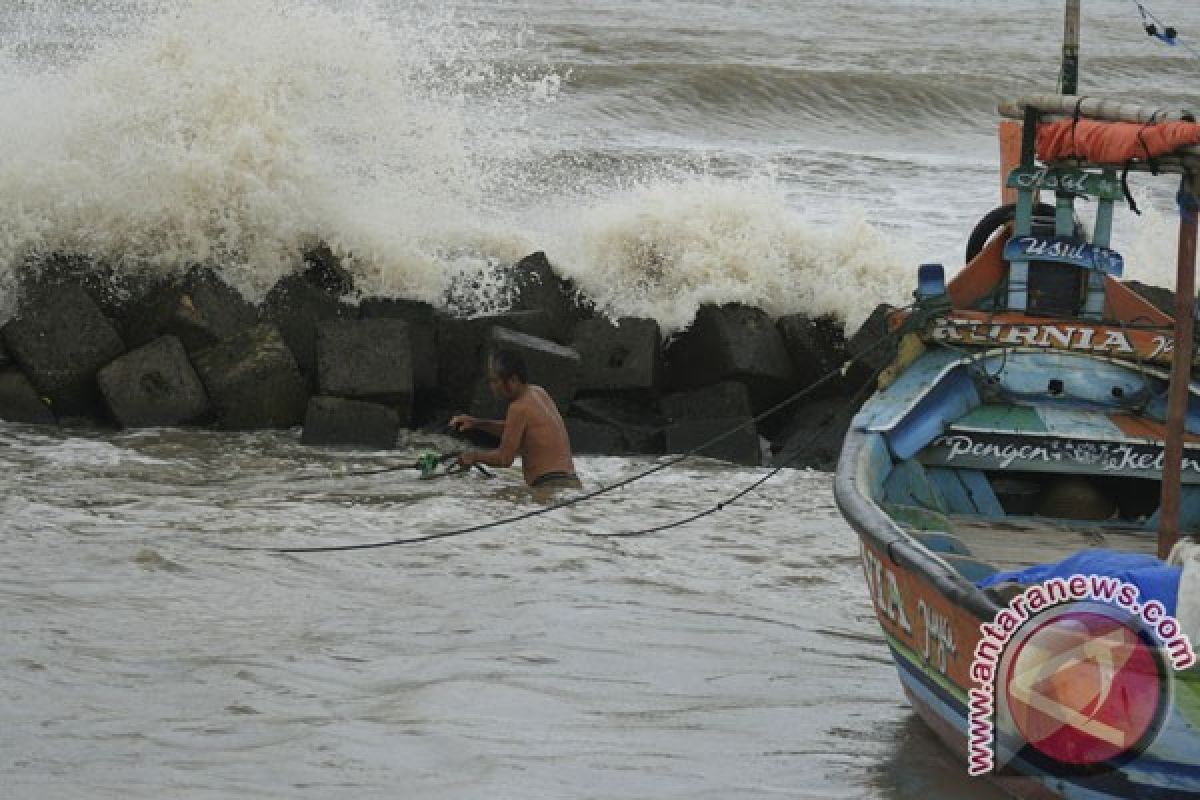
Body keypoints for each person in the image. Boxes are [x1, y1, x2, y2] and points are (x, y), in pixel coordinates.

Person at [449, 350, 581, 489]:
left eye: (495, 381)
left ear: (513, 380)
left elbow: (504, 459)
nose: (492, 387)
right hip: (571, 483)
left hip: (550, 485)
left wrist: (474, 456)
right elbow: (515, 431)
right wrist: (476, 423)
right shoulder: (538, 392)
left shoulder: (518, 407)